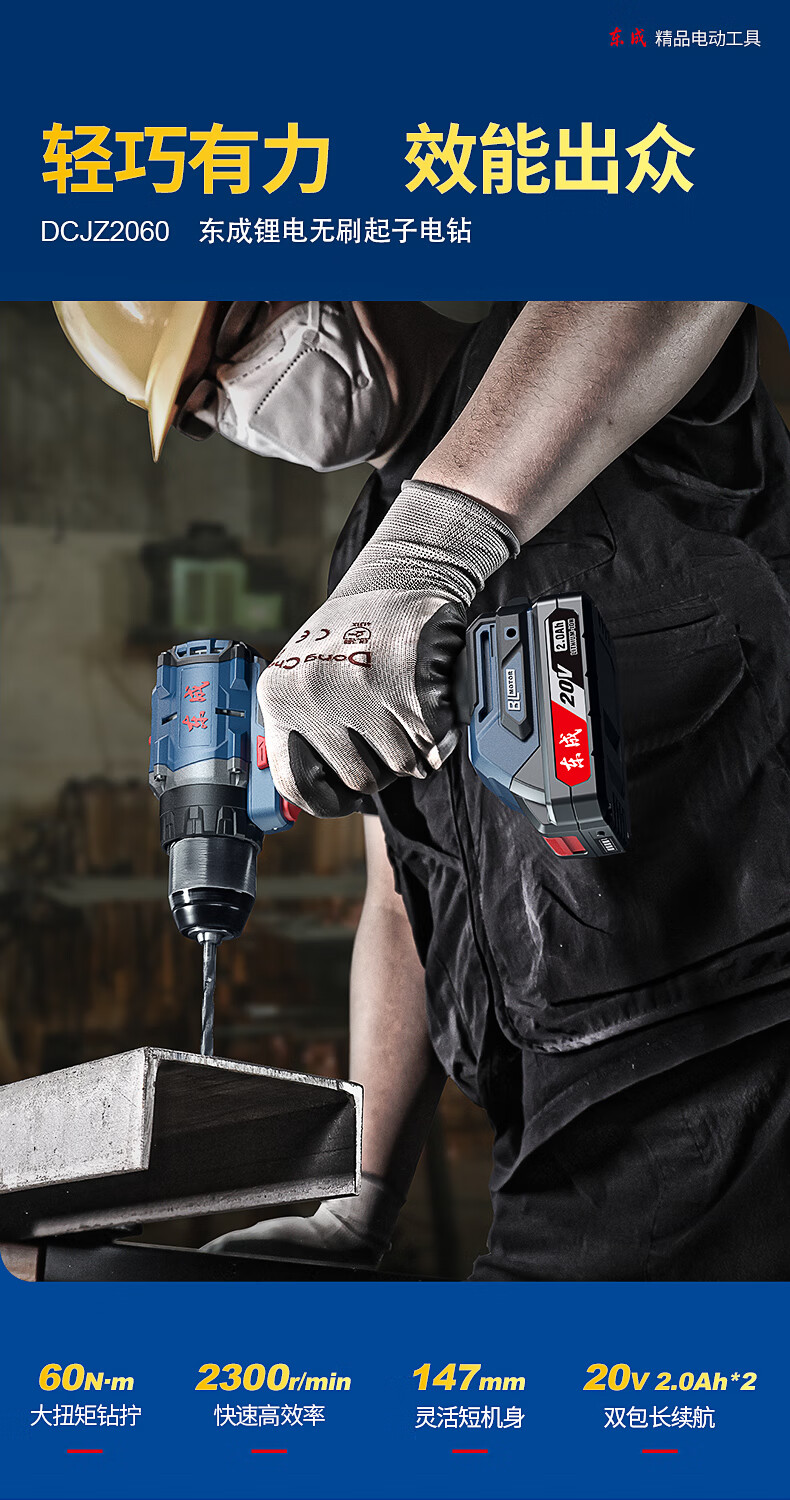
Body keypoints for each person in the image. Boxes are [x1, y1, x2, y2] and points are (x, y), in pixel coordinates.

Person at [55, 300, 790, 1278]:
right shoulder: (355, 566)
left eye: (226, 350)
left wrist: (428, 550)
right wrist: (356, 1200)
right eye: (202, 410)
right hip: (559, 1132)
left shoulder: (572, 347)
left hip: (743, 1061)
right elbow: (399, 901)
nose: (237, 402)